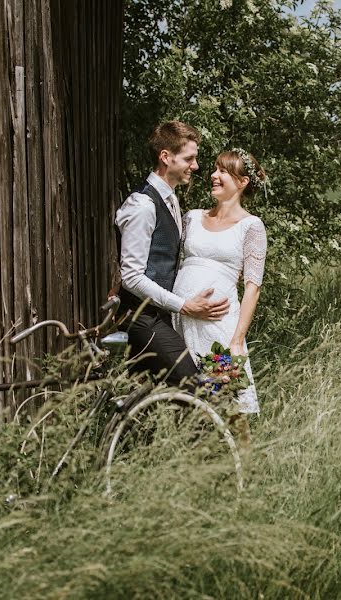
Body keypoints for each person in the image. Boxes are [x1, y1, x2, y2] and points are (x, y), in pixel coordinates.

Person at [115, 121, 230, 385]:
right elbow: (131, 277)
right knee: (196, 390)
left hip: (159, 315)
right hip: (141, 318)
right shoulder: (143, 204)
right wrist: (185, 306)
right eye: (189, 158)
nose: (196, 166)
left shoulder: (171, 199)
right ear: (165, 157)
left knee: (152, 400)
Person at [172, 148, 268, 426]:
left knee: (231, 408)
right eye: (214, 169)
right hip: (181, 321)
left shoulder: (251, 226)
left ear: (242, 181)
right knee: (187, 406)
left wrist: (236, 340)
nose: (213, 175)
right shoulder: (192, 217)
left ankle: (244, 468)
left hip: (219, 329)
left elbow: (253, 286)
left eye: (223, 171)